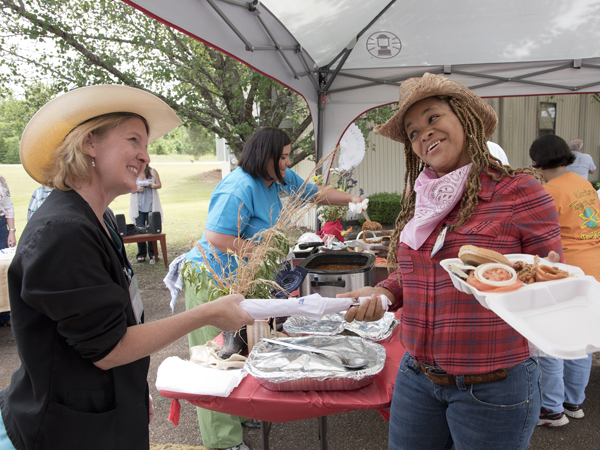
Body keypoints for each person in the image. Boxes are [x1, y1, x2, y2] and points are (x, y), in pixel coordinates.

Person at [0, 84, 254, 450]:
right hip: (63, 431)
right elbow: (109, 348)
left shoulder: (101, 220)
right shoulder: (63, 232)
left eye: (146, 145)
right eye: (134, 140)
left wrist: (129, 393)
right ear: (90, 142)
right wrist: (206, 314)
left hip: (105, 415)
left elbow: (115, 320)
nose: (145, 155)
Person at [339, 73, 563, 450]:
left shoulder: (519, 191)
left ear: (465, 119)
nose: (423, 134)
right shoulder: (423, 198)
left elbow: (548, 276)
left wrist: (545, 283)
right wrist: (384, 290)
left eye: (432, 118)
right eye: (412, 132)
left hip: (492, 383)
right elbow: (414, 273)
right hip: (418, 376)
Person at [183, 126, 365, 450]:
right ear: (264, 155)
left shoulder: (279, 179)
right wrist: (262, 253)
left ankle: (237, 413)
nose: (287, 162)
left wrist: (353, 198)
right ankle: (222, 442)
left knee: (239, 350)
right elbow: (218, 238)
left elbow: (316, 193)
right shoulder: (238, 186)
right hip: (214, 281)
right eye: (282, 156)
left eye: (287, 156)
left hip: (242, 284)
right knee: (215, 361)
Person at [529, 135, 600, 426]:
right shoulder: (583, 183)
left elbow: (538, 240)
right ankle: (574, 402)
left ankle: (551, 409)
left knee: (552, 341)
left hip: (566, 270)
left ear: (537, 163)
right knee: (582, 340)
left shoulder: (546, 191)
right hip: (593, 267)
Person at [129, 164, 163, 263]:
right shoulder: (133, 172)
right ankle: (141, 254)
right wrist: (136, 189)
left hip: (151, 205)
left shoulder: (153, 171)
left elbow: (159, 184)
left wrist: (153, 185)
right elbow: (128, 187)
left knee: (152, 230)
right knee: (139, 230)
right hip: (138, 206)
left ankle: (153, 253)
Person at [0, 174, 16, 327]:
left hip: (1, 227)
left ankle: (4, 316)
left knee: (3, 270)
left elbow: (8, 205)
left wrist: (11, 231)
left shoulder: (1, 179)